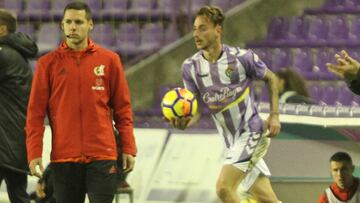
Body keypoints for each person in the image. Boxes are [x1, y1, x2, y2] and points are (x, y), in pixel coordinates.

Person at [25, 2, 136, 203]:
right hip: (64, 158)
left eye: (78, 22)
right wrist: (34, 153)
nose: (73, 27)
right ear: (62, 25)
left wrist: (128, 146)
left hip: (103, 156)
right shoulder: (47, 65)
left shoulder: (109, 61)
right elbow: (35, 115)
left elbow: (123, 109)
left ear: (90, 24)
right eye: (68, 22)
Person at [175, 6, 281, 203]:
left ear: (218, 30)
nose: (196, 34)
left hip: (252, 133)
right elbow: (195, 109)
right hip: (230, 142)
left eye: (203, 28)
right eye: (194, 29)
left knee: (224, 188)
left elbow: (272, 78)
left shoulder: (242, 58)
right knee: (267, 199)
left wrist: (274, 115)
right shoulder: (190, 67)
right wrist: (186, 123)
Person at [0, 9, 38, 202]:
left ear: (1, 30)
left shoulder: (3, 54)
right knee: (18, 195)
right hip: (16, 141)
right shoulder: (18, 55)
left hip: (4, 141)